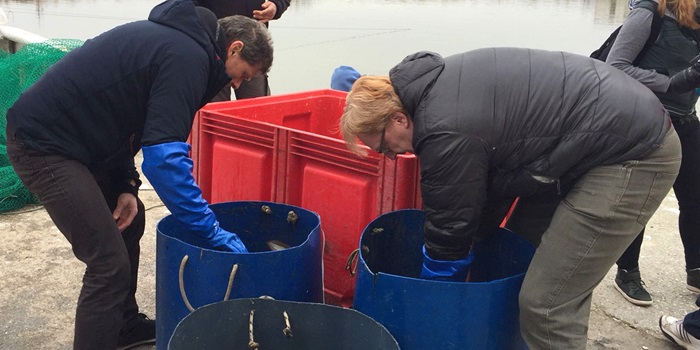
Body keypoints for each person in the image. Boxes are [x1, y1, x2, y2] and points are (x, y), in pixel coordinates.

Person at [339, 48, 681, 349]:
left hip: (632, 153)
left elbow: (448, 236)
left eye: (384, 147)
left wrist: (435, 307)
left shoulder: (442, 130)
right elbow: (480, 195)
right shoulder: (431, 91)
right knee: (515, 252)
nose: (391, 157)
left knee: (546, 303)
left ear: (398, 118)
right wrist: (475, 242)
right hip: (578, 146)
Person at [4, 0, 273, 348]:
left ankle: (123, 326)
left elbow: (127, 123)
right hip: (42, 144)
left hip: (82, 140)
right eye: (243, 74)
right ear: (234, 48)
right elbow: (164, 160)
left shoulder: (186, 47)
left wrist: (126, 185)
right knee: (107, 264)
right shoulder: (187, 57)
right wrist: (213, 233)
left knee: (131, 217)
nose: (238, 84)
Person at [605, 0, 700, 306]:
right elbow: (616, 66)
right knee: (641, 200)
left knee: (696, 198)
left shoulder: (696, 18)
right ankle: (627, 271)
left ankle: (696, 269)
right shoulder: (649, 13)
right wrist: (670, 83)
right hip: (649, 119)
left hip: (686, 120)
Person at [193, 0, 290, 101]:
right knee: (213, 110)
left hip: (254, 54)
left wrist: (277, 4)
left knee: (258, 109)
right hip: (214, 48)